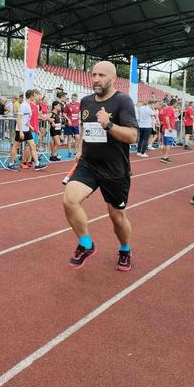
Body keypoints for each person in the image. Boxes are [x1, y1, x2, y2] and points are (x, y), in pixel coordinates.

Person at [63, 62, 138, 271]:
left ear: (113, 79)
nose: (95, 78)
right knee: (69, 200)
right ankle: (86, 245)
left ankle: (125, 249)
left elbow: (133, 136)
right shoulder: (86, 101)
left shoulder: (123, 101)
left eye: (101, 75)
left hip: (115, 170)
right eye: (93, 74)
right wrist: (80, 149)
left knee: (117, 217)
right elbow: (84, 130)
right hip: (89, 164)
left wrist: (110, 124)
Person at [6, 90, 47, 171]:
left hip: (27, 129)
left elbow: (27, 119)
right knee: (16, 146)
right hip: (20, 130)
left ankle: (37, 164)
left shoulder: (28, 105)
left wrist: (30, 126)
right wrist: (21, 131)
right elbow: (19, 118)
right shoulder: (23, 105)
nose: (35, 97)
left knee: (33, 145)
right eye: (34, 95)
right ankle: (11, 163)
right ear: (31, 96)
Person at [159, 98, 177, 163]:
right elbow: (167, 117)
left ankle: (163, 156)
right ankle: (165, 157)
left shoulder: (166, 108)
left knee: (165, 143)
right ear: (175, 103)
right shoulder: (170, 109)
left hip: (165, 127)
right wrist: (169, 127)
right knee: (168, 144)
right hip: (168, 128)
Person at [63, 93, 81, 158]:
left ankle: (75, 151)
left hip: (76, 124)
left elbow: (81, 112)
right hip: (69, 124)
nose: (74, 99)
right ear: (71, 98)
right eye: (73, 98)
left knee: (77, 137)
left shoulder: (79, 104)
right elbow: (64, 114)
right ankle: (69, 151)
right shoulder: (68, 105)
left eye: (75, 98)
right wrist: (68, 120)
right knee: (69, 138)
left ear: (77, 99)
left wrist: (80, 118)